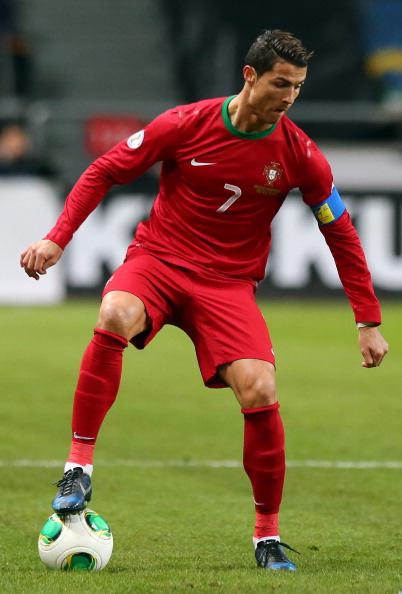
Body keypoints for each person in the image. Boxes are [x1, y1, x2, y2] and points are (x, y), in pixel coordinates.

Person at [20, 30, 388, 572]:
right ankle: (78, 468)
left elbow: (341, 232)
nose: (289, 97)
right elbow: (105, 170)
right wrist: (57, 237)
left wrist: (367, 319)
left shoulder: (301, 155)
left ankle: (267, 536)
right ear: (249, 75)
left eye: (298, 87)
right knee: (115, 313)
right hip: (161, 260)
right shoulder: (184, 124)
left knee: (261, 389)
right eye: (280, 84)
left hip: (228, 285)